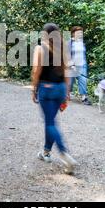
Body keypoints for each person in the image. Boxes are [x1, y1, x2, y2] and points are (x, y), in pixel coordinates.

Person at [31, 23, 78, 173]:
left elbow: (36, 71)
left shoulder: (40, 48)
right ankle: (46, 152)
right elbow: (67, 71)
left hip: (47, 88)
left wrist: (34, 89)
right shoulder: (64, 48)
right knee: (51, 121)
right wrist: (67, 91)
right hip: (60, 89)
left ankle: (65, 154)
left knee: (50, 123)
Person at [68, 26, 92, 105]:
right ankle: (67, 93)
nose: (80, 34)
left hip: (82, 65)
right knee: (70, 82)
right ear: (73, 34)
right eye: (78, 33)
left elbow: (83, 54)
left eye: (81, 33)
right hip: (72, 66)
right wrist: (71, 65)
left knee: (83, 81)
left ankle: (84, 98)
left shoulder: (82, 43)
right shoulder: (69, 43)